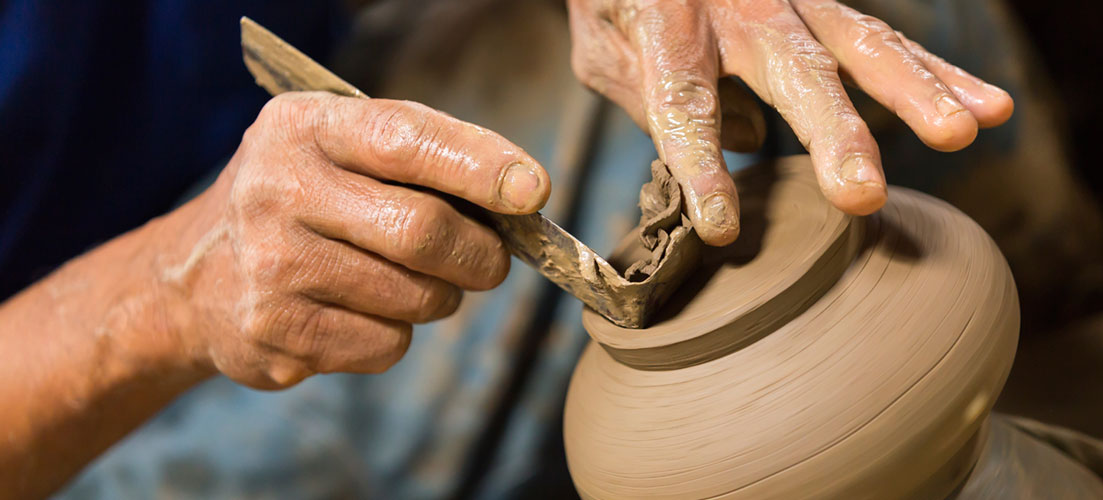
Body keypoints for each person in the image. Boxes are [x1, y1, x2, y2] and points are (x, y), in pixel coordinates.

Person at [0, 0, 1026, 497]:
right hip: (84, 383)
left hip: (334, 58)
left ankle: (1053, 360)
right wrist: (167, 295)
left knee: (833, 19)